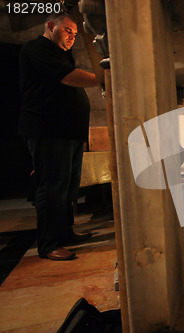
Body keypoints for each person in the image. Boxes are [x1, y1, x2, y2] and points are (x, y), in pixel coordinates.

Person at [18, 12, 99, 260]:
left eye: (75, 34)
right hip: (49, 130)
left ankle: (64, 232)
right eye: (68, 31)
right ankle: (49, 244)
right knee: (52, 187)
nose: (72, 37)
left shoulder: (61, 54)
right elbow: (68, 77)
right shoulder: (37, 49)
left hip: (68, 132)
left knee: (68, 188)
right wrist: (104, 78)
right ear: (51, 26)